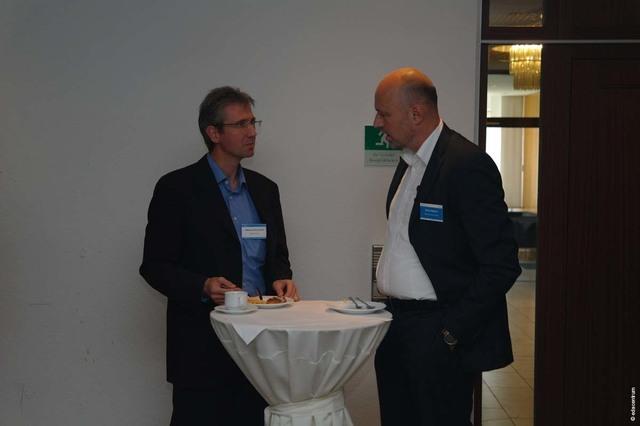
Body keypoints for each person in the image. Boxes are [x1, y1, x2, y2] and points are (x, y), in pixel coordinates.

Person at [140, 86, 299, 425]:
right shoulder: (177, 189)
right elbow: (154, 266)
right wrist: (203, 286)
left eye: (253, 122)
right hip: (201, 347)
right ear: (213, 133)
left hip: (259, 344)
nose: (252, 132)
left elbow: (277, 255)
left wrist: (282, 277)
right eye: (241, 124)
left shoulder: (265, 190)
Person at [372, 67, 521, 425]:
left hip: (437, 333)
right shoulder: (409, 163)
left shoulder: (466, 164)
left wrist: (451, 332)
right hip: (397, 327)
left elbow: (501, 264)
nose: (376, 122)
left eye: (383, 113)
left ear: (416, 113)